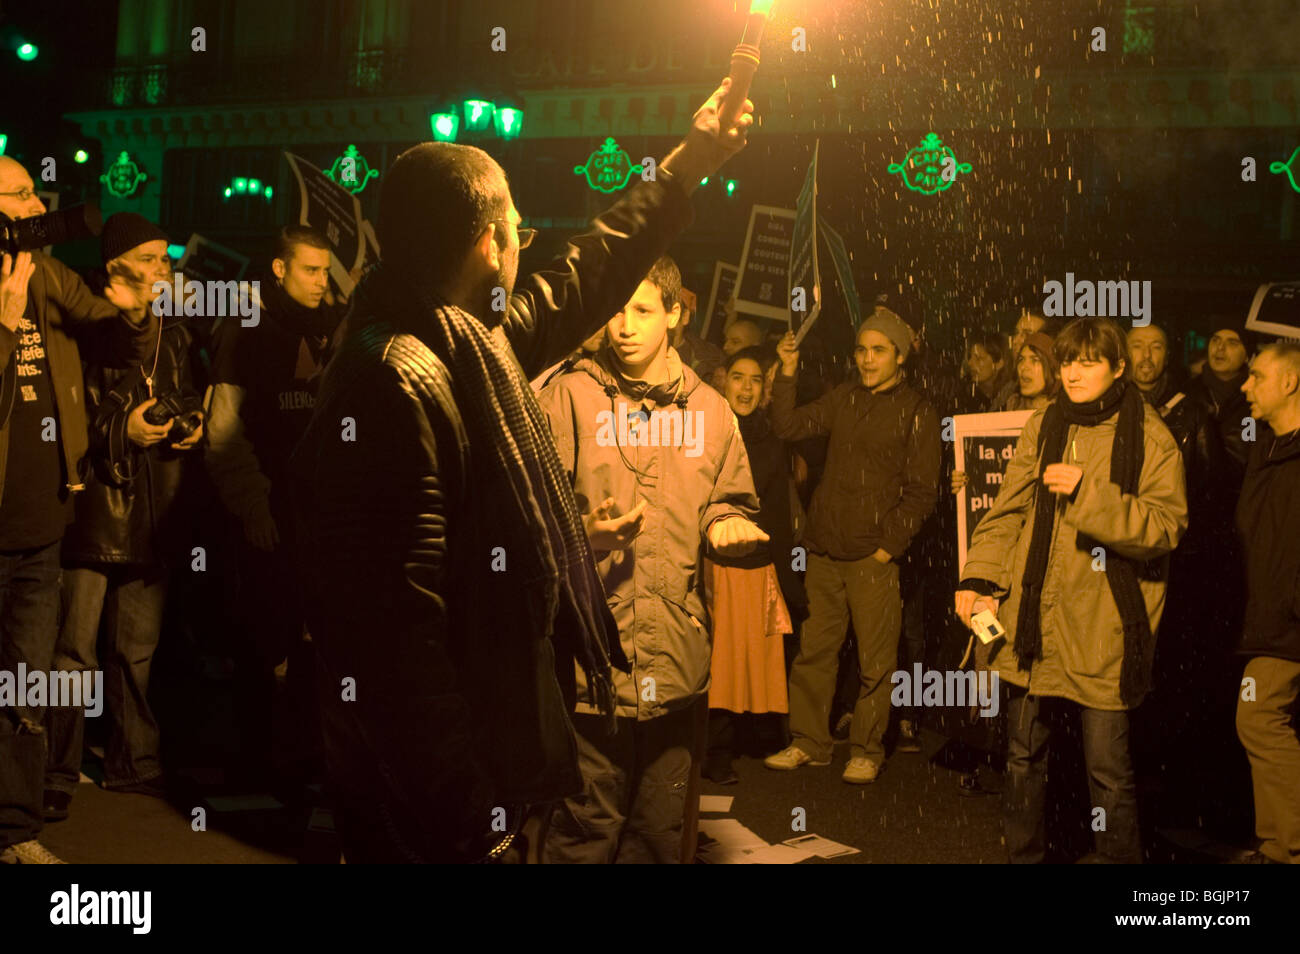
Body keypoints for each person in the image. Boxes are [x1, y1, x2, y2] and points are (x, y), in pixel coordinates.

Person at [291, 79, 753, 863]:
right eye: (516, 232)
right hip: (423, 798)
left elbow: (588, 275)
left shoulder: (468, 341)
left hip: (461, 762)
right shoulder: (399, 377)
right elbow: (398, 636)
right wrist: (472, 815)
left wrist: (691, 159)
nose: (523, 247)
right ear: (485, 246)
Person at [539, 255, 766, 862]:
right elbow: (525, 517)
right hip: (592, 661)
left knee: (661, 834)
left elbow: (727, 497)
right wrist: (581, 537)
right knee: (585, 827)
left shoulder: (711, 411)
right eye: (615, 308)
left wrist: (726, 523)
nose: (624, 325)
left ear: (674, 314)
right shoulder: (567, 395)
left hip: (675, 658)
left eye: (642, 309)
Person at [955, 316, 1187, 864]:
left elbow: (1164, 528)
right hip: (1032, 617)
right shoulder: (1045, 423)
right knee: (1021, 756)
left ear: (1118, 368)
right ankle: (1024, 856)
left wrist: (1089, 495)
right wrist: (977, 576)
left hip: (1102, 627)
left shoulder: (1151, 435)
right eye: (1067, 362)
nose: (1074, 373)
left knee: (1107, 770)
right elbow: (1008, 509)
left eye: (1089, 362)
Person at [0, 157, 156, 865]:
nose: (39, 201)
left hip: (40, 526)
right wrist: (4, 328)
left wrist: (131, 301)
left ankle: (14, 829)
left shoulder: (49, 274)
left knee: (25, 685)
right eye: (21, 192)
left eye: (37, 189)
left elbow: (112, 339)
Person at [44, 215, 205, 822]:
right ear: (116, 266)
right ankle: (54, 769)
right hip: (93, 508)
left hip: (155, 507)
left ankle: (133, 761)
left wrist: (187, 422)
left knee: (136, 650)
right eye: (148, 258)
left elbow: (183, 388)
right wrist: (123, 430)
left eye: (165, 258)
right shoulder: (90, 318)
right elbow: (73, 406)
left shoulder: (175, 326)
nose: (161, 268)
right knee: (71, 652)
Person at [764, 308, 941, 783]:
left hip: (871, 558)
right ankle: (809, 743)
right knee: (814, 654)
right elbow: (787, 427)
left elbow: (924, 491)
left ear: (900, 356)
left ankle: (866, 749)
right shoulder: (843, 397)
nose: (867, 359)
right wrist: (786, 371)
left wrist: (888, 546)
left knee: (875, 662)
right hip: (824, 550)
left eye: (878, 350)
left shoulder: (918, 411)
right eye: (862, 349)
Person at [204, 225, 345, 787]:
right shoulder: (248, 331)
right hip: (269, 512)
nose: (320, 281)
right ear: (280, 269)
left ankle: (305, 756)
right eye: (309, 270)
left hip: (320, 518)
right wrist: (251, 504)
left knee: (317, 645)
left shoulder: (332, 327)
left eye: (325, 270)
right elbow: (224, 431)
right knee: (264, 640)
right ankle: (253, 763)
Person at [702, 346, 799, 784]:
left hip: (760, 562)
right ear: (723, 380)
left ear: (765, 388)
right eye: (738, 377)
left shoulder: (772, 436)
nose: (745, 387)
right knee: (721, 657)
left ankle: (757, 734)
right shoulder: (707, 430)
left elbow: (778, 507)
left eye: (755, 379)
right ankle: (716, 750)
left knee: (758, 651)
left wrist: (784, 568)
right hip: (719, 560)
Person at [1233, 342, 1300, 864]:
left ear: (1290, 382)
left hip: (1288, 620)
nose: (1245, 385)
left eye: (1256, 376)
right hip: (1265, 614)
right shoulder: (1267, 446)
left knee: (1257, 716)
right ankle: (1276, 845)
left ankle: (1284, 850)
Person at [951, 332, 1059, 496]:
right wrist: (967, 478)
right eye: (1021, 359)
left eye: (1035, 360)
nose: (1024, 367)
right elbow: (990, 470)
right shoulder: (1004, 411)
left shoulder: (1066, 419)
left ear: (1053, 368)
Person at [963, 331, 1014, 411]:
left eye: (978, 358)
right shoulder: (966, 394)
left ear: (999, 363)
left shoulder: (1012, 396)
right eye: (970, 357)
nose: (970, 363)